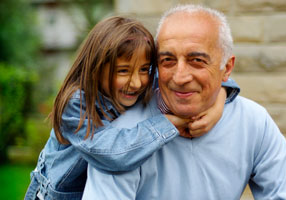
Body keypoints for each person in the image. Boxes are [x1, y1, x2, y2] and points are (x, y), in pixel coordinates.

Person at [82, 4, 286, 200]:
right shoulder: (121, 137)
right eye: (168, 60)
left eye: (196, 60)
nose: (180, 77)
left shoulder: (253, 122)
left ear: (227, 68)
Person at [24, 16, 236, 200]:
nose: (136, 82)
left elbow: (213, 78)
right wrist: (168, 123)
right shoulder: (76, 104)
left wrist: (217, 107)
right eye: (123, 71)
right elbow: (113, 153)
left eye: (144, 69)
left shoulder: (143, 79)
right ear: (97, 68)